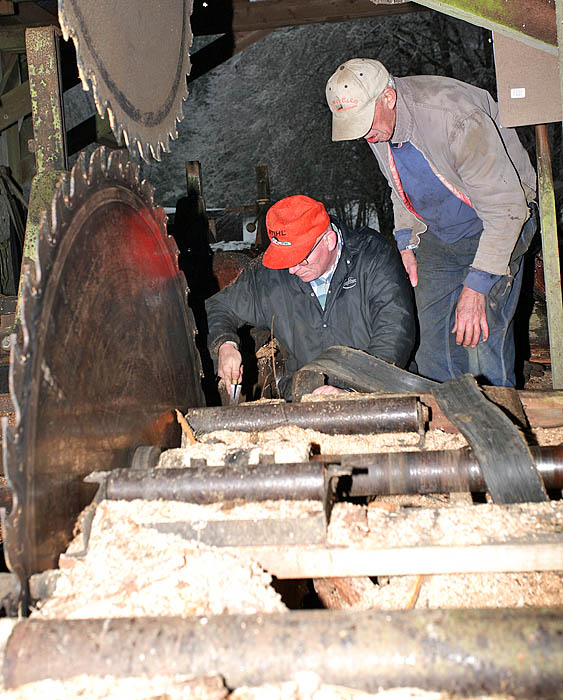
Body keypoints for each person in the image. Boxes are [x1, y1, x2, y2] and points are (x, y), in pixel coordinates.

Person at [325, 58, 537, 386]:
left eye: (365, 122)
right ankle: (445, 426)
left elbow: (507, 210)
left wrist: (477, 287)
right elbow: (402, 188)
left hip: (500, 225)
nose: (365, 135)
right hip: (442, 234)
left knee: (478, 339)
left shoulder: (454, 116)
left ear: (388, 98)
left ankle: (493, 428)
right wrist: (406, 241)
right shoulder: (380, 127)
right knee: (429, 337)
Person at [205, 194, 415, 400]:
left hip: (380, 392)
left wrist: (355, 393)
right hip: (305, 394)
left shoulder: (373, 257)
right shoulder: (269, 273)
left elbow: (394, 332)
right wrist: (225, 344)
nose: (292, 269)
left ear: (329, 240)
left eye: (302, 258)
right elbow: (220, 307)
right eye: (285, 259)